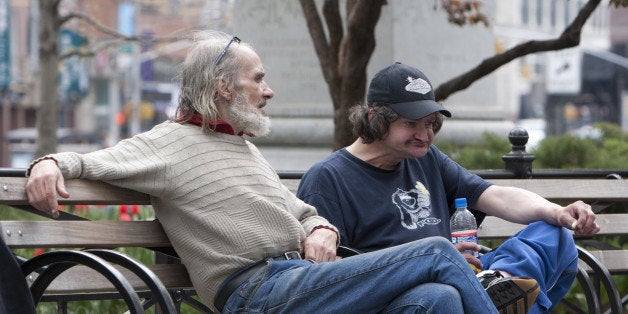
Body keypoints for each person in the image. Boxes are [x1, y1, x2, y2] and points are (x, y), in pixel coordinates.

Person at [26, 31, 531, 313]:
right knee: (440, 252)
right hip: (256, 294)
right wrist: (49, 162)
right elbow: (91, 160)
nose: (267, 91)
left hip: (297, 279)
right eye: (258, 79)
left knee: (438, 298)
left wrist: (320, 226)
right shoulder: (170, 143)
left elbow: (302, 211)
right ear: (224, 87)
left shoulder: (239, 147)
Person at [296, 62, 601, 313]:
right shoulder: (327, 179)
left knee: (553, 234)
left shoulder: (426, 160)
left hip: (464, 272)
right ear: (375, 119)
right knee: (442, 296)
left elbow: (493, 195)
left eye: (430, 124)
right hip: (402, 297)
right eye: (412, 123)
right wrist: (434, 265)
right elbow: (332, 277)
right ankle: (485, 298)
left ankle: (494, 285)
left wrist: (558, 212)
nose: (424, 135)